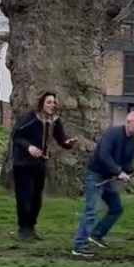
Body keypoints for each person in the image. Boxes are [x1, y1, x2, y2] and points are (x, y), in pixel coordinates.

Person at [72, 111, 134, 257]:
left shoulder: (132, 144)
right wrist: (118, 172)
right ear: (128, 122)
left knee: (116, 209)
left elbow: (126, 165)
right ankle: (79, 247)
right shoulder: (112, 134)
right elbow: (103, 155)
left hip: (109, 178)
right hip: (95, 176)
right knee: (91, 211)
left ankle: (96, 235)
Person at [10, 91, 78, 241]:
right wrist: (29, 147)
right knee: (24, 196)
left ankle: (31, 227)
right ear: (41, 103)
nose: (52, 105)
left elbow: (61, 138)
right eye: (48, 102)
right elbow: (16, 136)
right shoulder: (30, 118)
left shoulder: (54, 120)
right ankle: (23, 229)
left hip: (40, 163)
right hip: (23, 163)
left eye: (54, 102)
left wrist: (68, 143)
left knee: (36, 198)